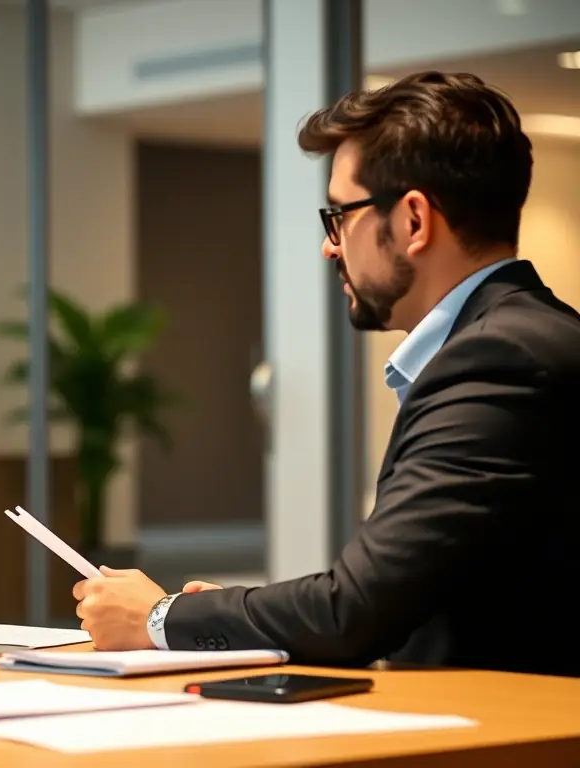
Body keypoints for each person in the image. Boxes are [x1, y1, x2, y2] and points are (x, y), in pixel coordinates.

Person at [74, 71, 580, 677]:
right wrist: (223, 616)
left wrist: (158, 618)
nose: (329, 246)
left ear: (414, 221)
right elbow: (422, 588)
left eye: (341, 214)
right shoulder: (530, 336)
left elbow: (356, 610)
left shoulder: (498, 360)